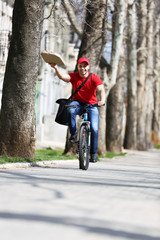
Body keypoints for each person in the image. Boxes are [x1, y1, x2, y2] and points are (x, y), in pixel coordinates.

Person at [49, 57, 105, 163]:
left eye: (85, 66)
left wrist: (102, 100)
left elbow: (101, 89)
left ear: (88, 67)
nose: (82, 68)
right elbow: (62, 77)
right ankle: (74, 134)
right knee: (70, 109)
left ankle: (93, 153)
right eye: (80, 66)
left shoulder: (94, 77)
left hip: (92, 105)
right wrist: (55, 68)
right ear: (77, 67)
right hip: (78, 103)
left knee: (94, 129)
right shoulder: (74, 76)